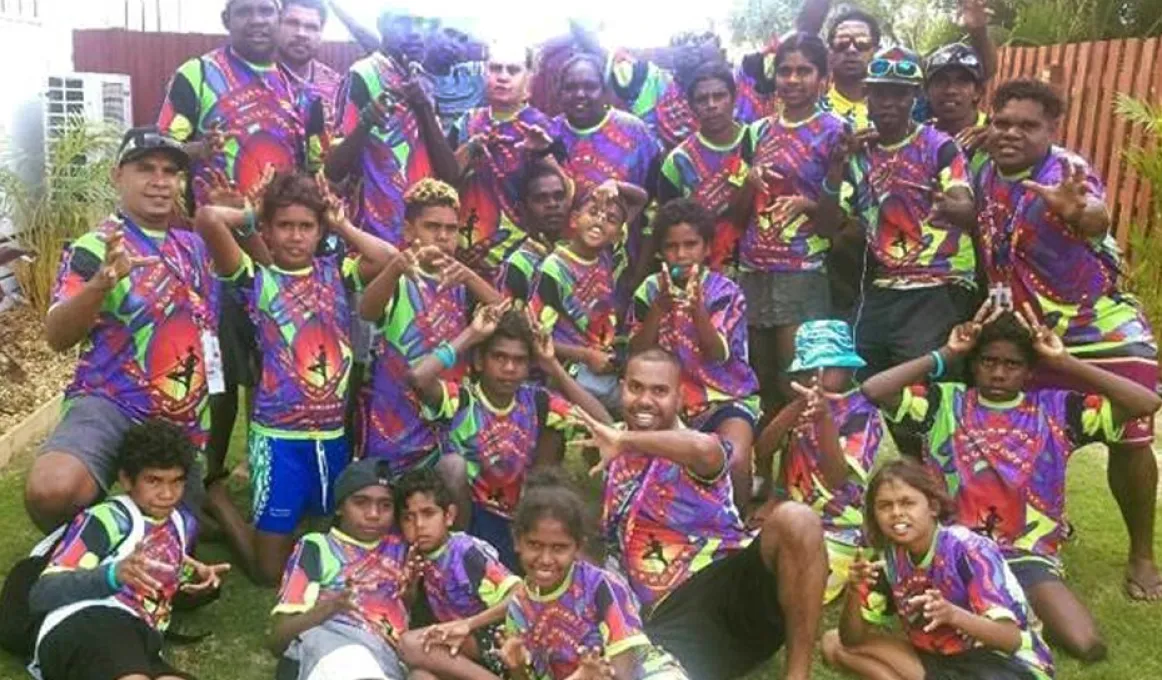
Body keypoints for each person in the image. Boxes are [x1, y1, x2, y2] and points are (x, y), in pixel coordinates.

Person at [859, 302, 1161, 660]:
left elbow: (1146, 403)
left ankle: (1003, 603)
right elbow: (874, 390)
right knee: (933, 629)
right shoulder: (945, 402)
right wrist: (947, 352)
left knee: (1086, 644)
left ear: (1030, 370)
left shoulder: (1057, 410)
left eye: (1012, 364)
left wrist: (1067, 364)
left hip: (1025, 554)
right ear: (974, 364)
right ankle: (973, 603)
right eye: (988, 361)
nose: (999, 373)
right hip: (952, 549)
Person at [977, 77, 1162, 601]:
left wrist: (1078, 212)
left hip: (1101, 328)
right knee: (1019, 434)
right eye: (1003, 122)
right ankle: (1039, 532)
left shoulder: (1068, 172)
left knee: (1130, 439)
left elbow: (1095, 216)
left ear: (1053, 129)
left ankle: (1142, 553)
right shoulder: (983, 166)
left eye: (1028, 125)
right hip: (1031, 334)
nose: (1011, 133)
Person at [574, 348, 826, 680]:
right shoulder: (616, 448)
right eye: (635, 387)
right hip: (671, 622)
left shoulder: (693, 444)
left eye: (659, 391)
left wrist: (624, 439)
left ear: (680, 397)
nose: (645, 400)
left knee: (798, 519)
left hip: (727, 593)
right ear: (621, 388)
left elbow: (704, 450)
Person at [195, 172, 396, 584]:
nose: (295, 236)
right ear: (267, 230)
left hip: (331, 438)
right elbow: (208, 220)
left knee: (326, 540)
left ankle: (282, 515)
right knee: (270, 574)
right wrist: (250, 214)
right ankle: (219, 502)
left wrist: (343, 225)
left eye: (306, 226)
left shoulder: (337, 274)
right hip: (279, 440)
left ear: (319, 231)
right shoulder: (255, 280)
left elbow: (389, 257)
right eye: (284, 225)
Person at [26, 128, 215, 533]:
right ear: (118, 176)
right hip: (112, 401)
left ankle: (140, 522)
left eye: (170, 171)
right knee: (52, 489)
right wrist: (99, 285)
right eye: (145, 168)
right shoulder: (95, 246)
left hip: (179, 420)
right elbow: (57, 336)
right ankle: (83, 542)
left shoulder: (194, 248)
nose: (160, 181)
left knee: (173, 563)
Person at [409, 303, 611, 569]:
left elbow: (604, 423)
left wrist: (553, 367)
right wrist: (471, 334)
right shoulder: (464, 399)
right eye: (499, 357)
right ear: (480, 361)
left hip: (517, 519)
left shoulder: (536, 401)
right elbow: (419, 378)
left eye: (519, 360)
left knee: (553, 439)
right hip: (468, 515)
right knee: (452, 466)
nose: (509, 367)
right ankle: (457, 559)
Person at [29, 420, 229, 680]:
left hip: (140, 640)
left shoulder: (179, 522)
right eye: (154, 481)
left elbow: (156, 580)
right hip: (86, 624)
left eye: (177, 481)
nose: (167, 493)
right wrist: (113, 575)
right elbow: (41, 594)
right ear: (126, 479)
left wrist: (197, 578)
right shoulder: (107, 519)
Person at [820, 460, 1055, 680]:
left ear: (932, 507)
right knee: (832, 644)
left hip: (1002, 664)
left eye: (907, 502)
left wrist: (952, 615)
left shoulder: (968, 549)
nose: (896, 513)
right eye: (885, 506)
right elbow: (851, 639)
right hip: (940, 658)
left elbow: (1010, 640)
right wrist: (853, 591)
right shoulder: (889, 558)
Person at [841, 46, 976, 378]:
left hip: (940, 281)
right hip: (884, 284)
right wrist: (834, 169)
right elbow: (832, 222)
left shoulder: (939, 146)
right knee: (861, 377)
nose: (889, 102)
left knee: (922, 387)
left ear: (914, 97)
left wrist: (951, 205)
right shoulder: (858, 154)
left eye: (899, 94)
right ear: (866, 96)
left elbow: (964, 202)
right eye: (880, 92)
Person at [358, 179, 502, 478]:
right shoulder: (399, 278)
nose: (443, 236)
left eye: (451, 229)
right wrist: (394, 269)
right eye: (432, 227)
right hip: (396, 413)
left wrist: (472, 279)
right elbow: (367, 311)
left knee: (450, 481)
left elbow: (507, 315)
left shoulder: (461, 284)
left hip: (445, 411)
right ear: (410, 231)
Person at [737, 32, 848, 416]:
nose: (793, 80)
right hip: (752, 268)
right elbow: (738, 213)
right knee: (759, 379)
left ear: (822, 77)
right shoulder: (757, 131)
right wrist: (747, 182)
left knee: (797, 384)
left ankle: (797, 473)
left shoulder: (836, 131)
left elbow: (838, 223)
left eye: (804, 71)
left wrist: (810, 204)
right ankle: (764, 472)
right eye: (785, 71)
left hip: (801, 271)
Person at [629, 199, 760, 511]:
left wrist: (698, 309)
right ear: (661, 251)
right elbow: (636, 353)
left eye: (691, 245)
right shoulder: (650, 290)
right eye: (672, 246)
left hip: (724, 398)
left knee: (737, 459)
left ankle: (737, 530)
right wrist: (658, 311)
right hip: (667, 400)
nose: (682, 254)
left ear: (706, 248)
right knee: (649, 466)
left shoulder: (725, 291)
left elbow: (718, 353)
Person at [500, 470, 689, 680]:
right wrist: (516, 667)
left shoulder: (601, 586)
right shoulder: (519, 608)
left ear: (578, 547)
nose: (545, 559)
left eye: (559, 548)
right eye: (535, 545)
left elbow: (623, 672)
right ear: (517, 542)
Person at [753, 319, 890, 603]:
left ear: (850, 370)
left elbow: (837, 477)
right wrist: (795, 408)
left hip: (839, 526)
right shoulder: (799, 405)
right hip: (792, 516)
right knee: (745, 560)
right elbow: (764, 450)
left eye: (828, 368)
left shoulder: (862, 415)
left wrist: (824, 419)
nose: (816, 377)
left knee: (802, 588)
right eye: (808, 370)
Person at [269, 458, 414, 680]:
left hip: (386, 660)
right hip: (329, 647)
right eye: (360, 502)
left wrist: (412, 594)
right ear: (339, 507)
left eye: (385, 505)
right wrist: (331, 607)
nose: (373, 514)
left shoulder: (402, 547)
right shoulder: (317, 547)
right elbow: (277, 641)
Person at [325, 9, 459, 246]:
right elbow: (335, 170)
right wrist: (366, 122)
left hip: (424, 233)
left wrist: (423, 107)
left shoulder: (424, 82)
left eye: (422, 23)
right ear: (381, 25)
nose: (416, 33)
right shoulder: (363, 73)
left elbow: (449, 173)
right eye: (404, 23)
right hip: (374, 230)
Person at [531, 181, 648, 412]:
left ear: (617, 234)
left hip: (604, 367)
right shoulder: (554, 269)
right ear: (574, 219)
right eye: (593, 212)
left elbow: (640, 198)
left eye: (611, 219)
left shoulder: (607, 256)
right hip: (569, 371)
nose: (600, 220)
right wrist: (586, 356)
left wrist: (613, 184)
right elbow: (534, 338)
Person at [395, 469, 521, 680]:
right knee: (418, 677)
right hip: (463, 650)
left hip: (500, 641)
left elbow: (520, 596)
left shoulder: (465, 552)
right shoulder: (415, 558)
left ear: (449, 516)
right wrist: (410, 589)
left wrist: (468, 624)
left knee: (410, 645)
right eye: (409, 518)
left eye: (428, 513)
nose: (419, 525)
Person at [548, 53, 660, 290]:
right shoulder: (548, 134)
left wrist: (639, 273)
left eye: (590, 86)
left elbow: (654, 207)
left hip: (620, 270)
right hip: (560, 270)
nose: (580, 94)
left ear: (605, 91)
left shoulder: (635, 133)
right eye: (571, 87)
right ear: (559, 93)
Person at [449, 45, 556, 282]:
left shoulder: (543, 128)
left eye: (513, 70)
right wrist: (471, 148)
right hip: (460, 257)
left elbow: (560, 195)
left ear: (529, 80)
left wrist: (542, 152)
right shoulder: (466, 122)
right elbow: (444, 179)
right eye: (495, 68)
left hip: (519, 260)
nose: (503, 76)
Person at [657, 62, 751, 274]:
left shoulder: (757, 141)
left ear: (734, 98)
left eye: (719, 96)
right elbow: (669, 229)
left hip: (759, 266)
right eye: (702, 99)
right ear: (690, 105)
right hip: (703, 275)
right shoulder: (678, 162)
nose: (711, 105)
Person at [796, 1, 882, 130]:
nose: (851, 50)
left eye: (862, 43)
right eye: (842, 42)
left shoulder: (894, 111)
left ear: (875, 50)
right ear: (830, 52)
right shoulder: (808, 115)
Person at [497, 163, 573, 301]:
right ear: (522, 209)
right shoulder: (518, 264)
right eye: (541, 198)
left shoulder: (578, 252)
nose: (552, 204)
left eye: (559, 196)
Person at [925, 43, 991, 174]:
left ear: (978, 92)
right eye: (941, 81)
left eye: (962, 82)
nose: (950, 90)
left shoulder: (996, 132)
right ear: (927, 92)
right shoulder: (919, 138)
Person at [277, 0, 343, 131]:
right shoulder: (252, 78)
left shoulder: (336, 87)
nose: (301, 34)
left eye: (312, 27)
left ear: (321, 34)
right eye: (292, 23)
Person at [424, 18, 488, 132]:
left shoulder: (475, 78)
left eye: (462, 40)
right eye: (450, 34)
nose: (454, 44)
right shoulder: (412, 78)